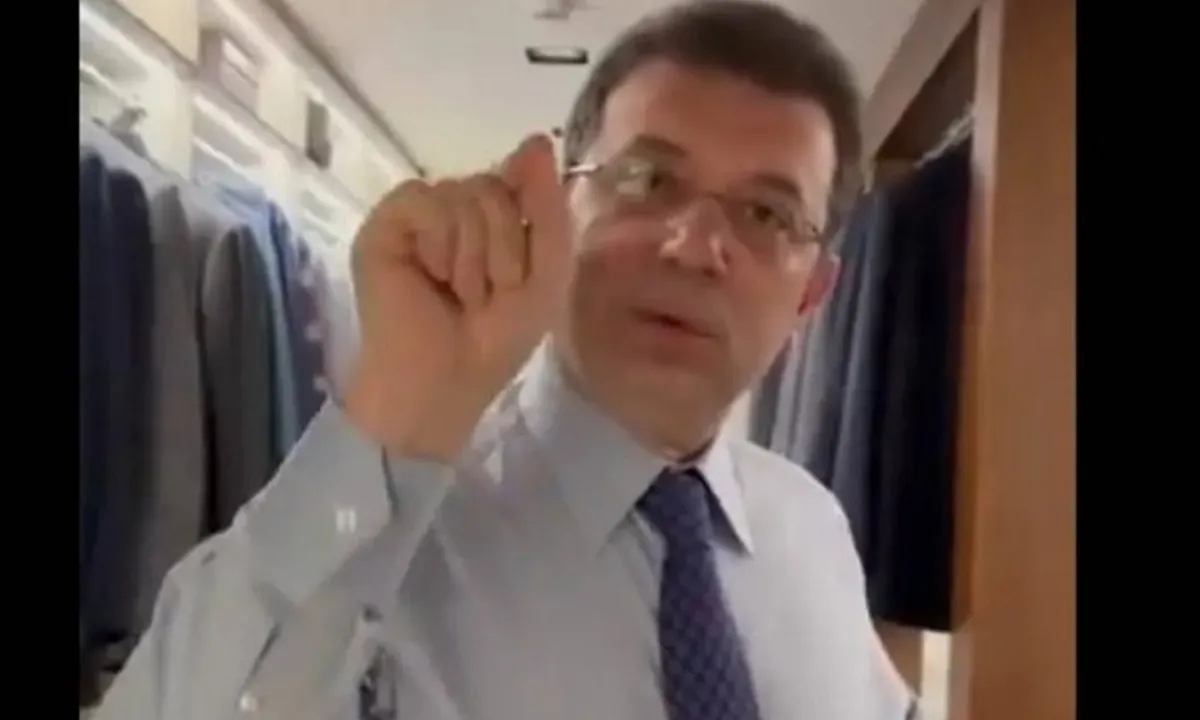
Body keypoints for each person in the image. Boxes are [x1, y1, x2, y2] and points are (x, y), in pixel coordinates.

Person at [95, 1, 917, 718]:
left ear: (812, 294)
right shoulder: (385, 539)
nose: (696, 245)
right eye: (648, 178)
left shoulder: (812, 529)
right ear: (560, 202)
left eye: (768, 215)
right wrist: (397, 409)